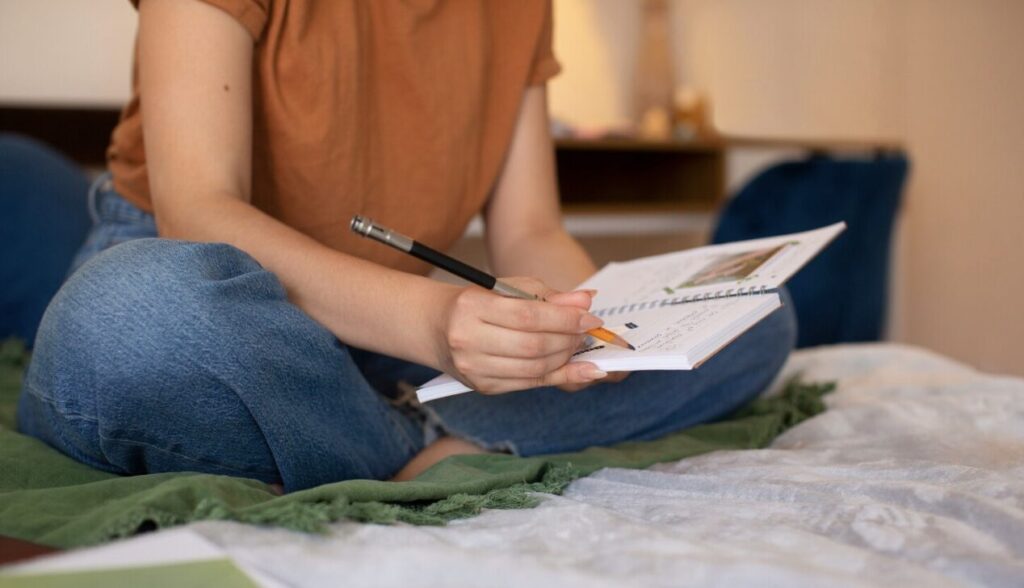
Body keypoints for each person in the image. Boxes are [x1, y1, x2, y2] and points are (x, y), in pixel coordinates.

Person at [17, 0, 795, 492]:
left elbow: (530, 230)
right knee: (129, 319)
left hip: (388, 332)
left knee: (759, 310)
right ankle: (429, 442)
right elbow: (197, 210)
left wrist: (602, 333)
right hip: (222, 308)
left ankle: (398, 439)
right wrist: (435, 324)